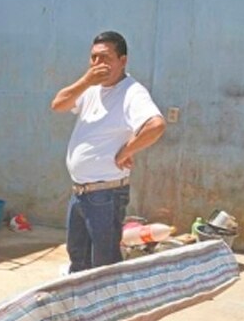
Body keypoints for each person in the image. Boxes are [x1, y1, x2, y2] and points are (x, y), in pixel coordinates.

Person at [51, 31, 166, 272]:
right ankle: (82, 307)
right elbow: (58, 104)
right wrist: (86, 81)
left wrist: (126, 150)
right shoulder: (91, 88)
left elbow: (155, 125)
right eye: (93, 58)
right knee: (78, 259)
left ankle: (107, 307)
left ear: (122, 60)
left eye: (105, 58)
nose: (97, 64)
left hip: (106, 194)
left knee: (104, 265)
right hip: (80, 192)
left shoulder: (132, 92)